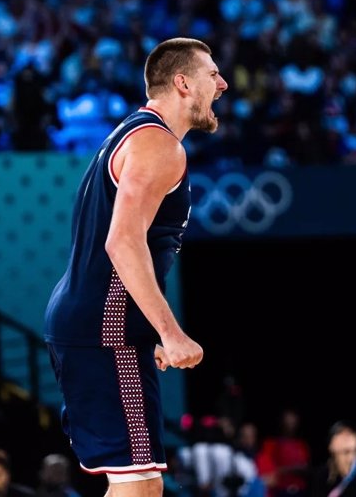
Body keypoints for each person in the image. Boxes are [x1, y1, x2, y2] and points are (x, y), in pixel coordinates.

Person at [42, 37, 228, 497]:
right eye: (212, 74)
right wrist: (169, 331)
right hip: (107, 330)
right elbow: (122, 243)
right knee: (140, 488)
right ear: (183, 83)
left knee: (137, 485)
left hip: (99, 323)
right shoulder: (159, 146)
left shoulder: (132, 133)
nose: (223, 84)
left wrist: (149, 324)